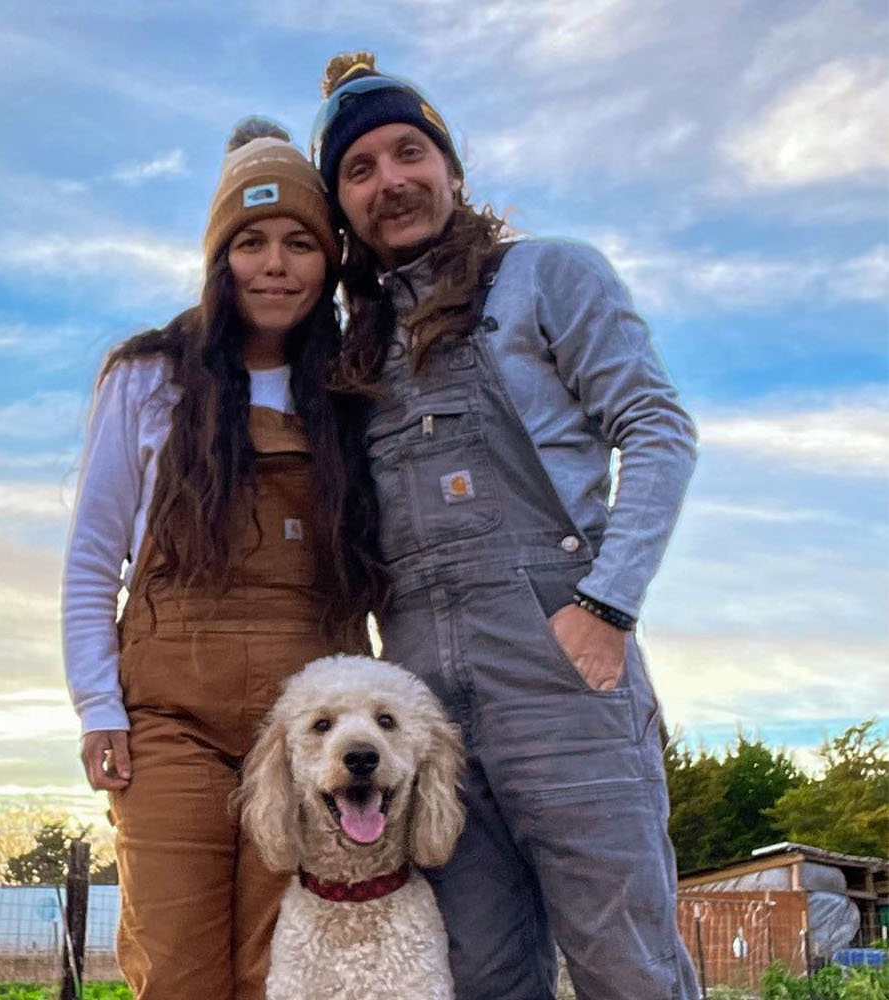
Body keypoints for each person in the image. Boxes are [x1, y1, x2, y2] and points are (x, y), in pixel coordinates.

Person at [309, 52, 702, 1000]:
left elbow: (656, 427)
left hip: (560, 676)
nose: (390, 182)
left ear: (451, 168)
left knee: (626, 965)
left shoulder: (547, 277)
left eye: (410, 153)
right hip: (426, 711)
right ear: (342, 209)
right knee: (481, 975)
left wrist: (605, 606)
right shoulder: (351, 351)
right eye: (358, 171)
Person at [61, 117, 383, 1000]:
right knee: (179, 967)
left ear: (330, 264)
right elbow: (94, 559)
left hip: (305, 734)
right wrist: (99, 706)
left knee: (283, 971)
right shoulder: (148, 380)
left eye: (298, 244)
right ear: (218, 257)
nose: (275, 264)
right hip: (169, 725)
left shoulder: (355, 395)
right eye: (250, 242)